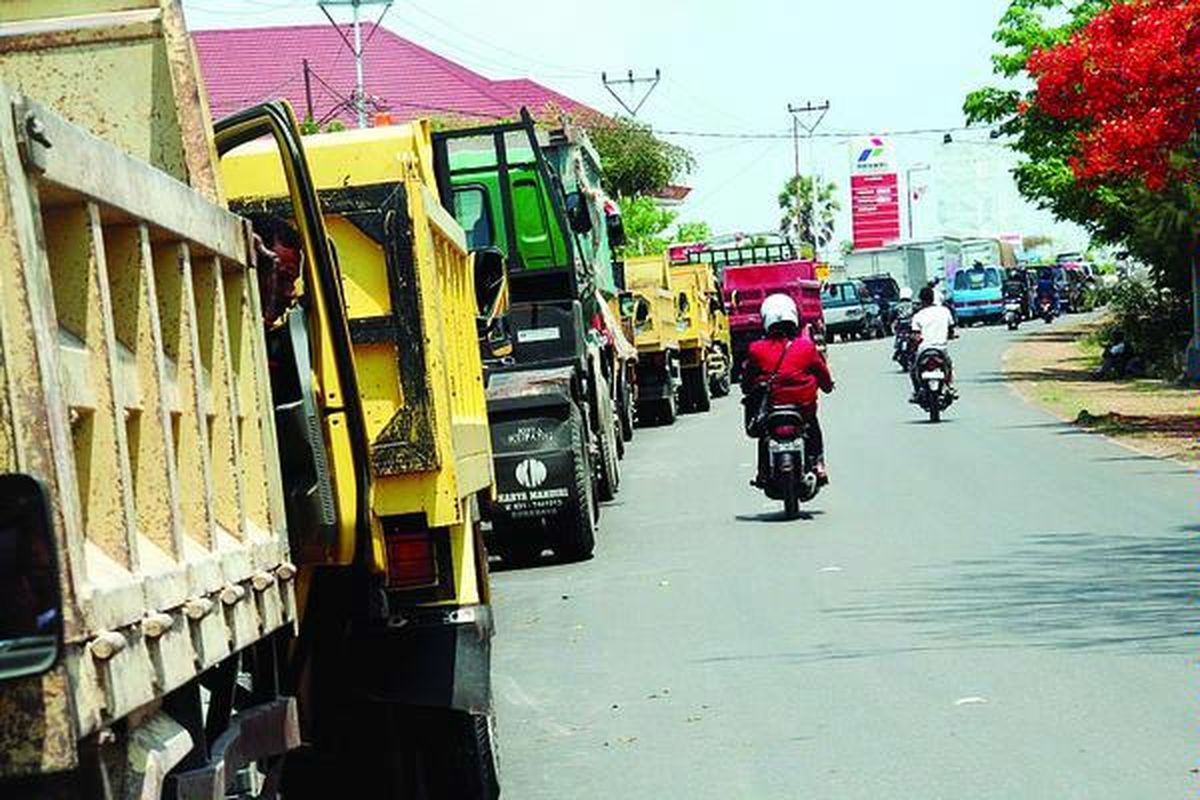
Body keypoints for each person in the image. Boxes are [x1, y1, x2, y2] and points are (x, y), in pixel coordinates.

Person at [741, 294, 834, 485]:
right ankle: (818, 464)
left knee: (764, 435)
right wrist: (827, 386)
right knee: (813, 425)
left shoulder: (756, 349)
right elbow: (823, 375)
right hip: (803, 409)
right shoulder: (806, 347)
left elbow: (747, 381)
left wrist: (748, 389)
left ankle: (762, 472)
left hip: (771, 410)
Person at [909, 285, 956, 401]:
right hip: (941, 348)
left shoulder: (918, 316)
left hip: (924, 349)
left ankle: (917, 391)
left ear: (921, 300)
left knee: (913, 369)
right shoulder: (944, 311)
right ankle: (950, 387)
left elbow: (916, 335)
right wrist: (950, 336)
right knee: (949, 366)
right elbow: (951, 329)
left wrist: (913, 344)